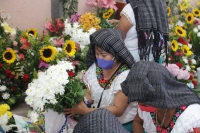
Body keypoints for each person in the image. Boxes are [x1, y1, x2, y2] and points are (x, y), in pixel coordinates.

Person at [64, 28, 138, 132]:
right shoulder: (96, 67)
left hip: (119, 125)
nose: (99, 58)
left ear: (116, 54)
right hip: (96, 119)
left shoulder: (125, 76)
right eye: (97, 54)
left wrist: (87, 111)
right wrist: (82, 102)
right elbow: (90, 92)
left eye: (103, 55)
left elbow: (118, 110)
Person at [121, 60, 200, 133]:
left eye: (144, 103)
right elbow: (138, 122)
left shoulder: (190, 118)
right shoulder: (147, 101)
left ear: (161, 94)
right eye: (138, 101)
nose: (141, 106)